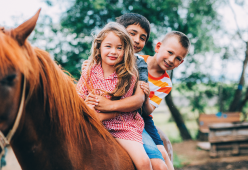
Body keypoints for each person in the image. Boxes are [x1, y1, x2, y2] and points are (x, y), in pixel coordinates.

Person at [83, 14, 190, 170]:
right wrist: (88, 69)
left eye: (142, 37)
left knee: (162, 157)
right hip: (115, 111)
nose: (171, 60)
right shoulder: (114, 58)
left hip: (139, 117)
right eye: (132, 34)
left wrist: (143, 98)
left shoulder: (139, 65)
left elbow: (142, 107)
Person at [76, 22, 152, 170]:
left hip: (121, 126)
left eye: (119, 48)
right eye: (108, 46)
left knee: (143, 162)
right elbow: (79, 97)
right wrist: (86, 106)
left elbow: (123, 109)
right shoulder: (89, 71)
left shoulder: (129, 76)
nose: (114, 52)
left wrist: (98, 117)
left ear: (126, 51)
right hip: (90, 121)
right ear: (99, 47)